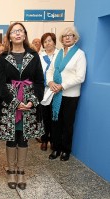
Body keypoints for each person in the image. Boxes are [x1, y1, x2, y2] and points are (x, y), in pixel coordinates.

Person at [0, 22, 44, 190]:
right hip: (9, 105)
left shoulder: (34, 55)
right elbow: (0, 84)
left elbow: (39, 81)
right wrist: (15, 102)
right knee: (11, 137)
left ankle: (21, 171)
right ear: (9, 36)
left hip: (29, 104)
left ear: (24, 35)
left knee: (23, 137)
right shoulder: (3, 57)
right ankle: (11, 171)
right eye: (14, 31)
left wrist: (31, 101)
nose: (17, 34)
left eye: (20, 31)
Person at [47, 26, 86, 161]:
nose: (67, 37)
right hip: (56, 93)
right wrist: (50, 82)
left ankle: (65, 150)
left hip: (70, 95)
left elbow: (80, 77)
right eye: (65, 36)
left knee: (67, 124)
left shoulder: (79, 54)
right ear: (61, 39)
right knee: (55, 122)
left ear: (75, 38)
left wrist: (62, 86)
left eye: (70, 35)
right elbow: (50, 70)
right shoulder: (58, 53)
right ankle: (55, 148)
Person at [39, 33, 59, 151]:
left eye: (50, 41)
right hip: (44, 90)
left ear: (54, 42)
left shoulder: (59, 55)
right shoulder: (39, 56)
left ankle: (54, 140)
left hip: (56, 90)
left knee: (55, 117)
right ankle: (44, 139)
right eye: (45, 41)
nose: (47, 43)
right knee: (44, 117)